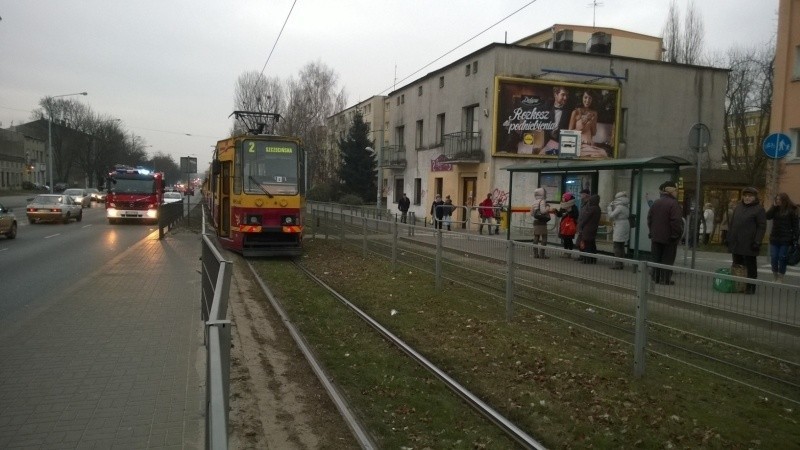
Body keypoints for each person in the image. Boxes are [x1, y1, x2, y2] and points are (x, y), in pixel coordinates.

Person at [727, 187, 767, 294]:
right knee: (737, 264)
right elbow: (732, 224)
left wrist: (757, 241)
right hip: (736, 242)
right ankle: (738, 285)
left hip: (750, 243)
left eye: (750, 196)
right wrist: (729, 237)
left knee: (750, 266)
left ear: (754, 197)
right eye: (745, 196)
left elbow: (761, 227)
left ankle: (750, 286)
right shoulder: (738, 208)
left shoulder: (759, 209)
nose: (747, 198)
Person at [647, 181, 684, 285]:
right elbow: (676, 221)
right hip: (669, 238)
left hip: (656, 237)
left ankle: (656, 278)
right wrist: (676, 235)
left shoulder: (656, 202)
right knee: (667, 259)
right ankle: (665, 279)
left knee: (656, 258)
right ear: (671, 191)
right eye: (676, 190)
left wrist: (652, 232)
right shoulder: (673, 204)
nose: (676, 193)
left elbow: (649, 219)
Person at [765, 192, 798, 283]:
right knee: (774, 257)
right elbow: (767, 216)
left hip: (786, 238)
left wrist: (796, 237)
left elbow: (795, 225)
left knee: (782, 257)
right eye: (777, 199)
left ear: (784, 200)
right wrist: (773, 206)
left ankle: (781, 276)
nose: (778, 201)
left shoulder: (791, 210)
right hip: (775, 237)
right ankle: (775, 275)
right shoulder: (775, 209)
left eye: (779, 199)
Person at [568, 90, 607, 158]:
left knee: (603, 153)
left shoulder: (594, 113)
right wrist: (580, 129)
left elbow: (594, 133)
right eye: (585, 97)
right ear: (581, 98)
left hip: (590, 145)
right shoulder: (575, 112)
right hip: (579, 144)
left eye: (590, 98)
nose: (587, 100)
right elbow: (569, 132)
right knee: (600, 155)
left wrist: (591, 120)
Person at [543, 85, 572, 155]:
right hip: (544, 143)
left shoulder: (569, 111)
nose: (565, 98)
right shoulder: (547, 106)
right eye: (563, 95)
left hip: (562, 146)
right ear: (555, 95)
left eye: (566, 95)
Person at [606, 191, 631, 269]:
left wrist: (609, 209)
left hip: (620, 225)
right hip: (625, 224)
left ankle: (617, 264)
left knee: (616, 245)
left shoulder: (619, 207)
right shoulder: (626, 206)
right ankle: (621, 263)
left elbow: (611, 215)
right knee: (621, 246)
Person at [577, 193, 601, 264]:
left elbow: (585, 218)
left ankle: (587, 259)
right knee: (591, 244)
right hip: (593, 228)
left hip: (587, 229)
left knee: (587, 245)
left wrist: (580, 225)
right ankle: (593, 259)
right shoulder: (597, 208)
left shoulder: (591, 209)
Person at [555, 192, 579, 257]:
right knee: (565, 239)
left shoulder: (573, 206)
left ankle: (569, 253)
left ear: (567, 198)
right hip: (564, 225)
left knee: (569, 239)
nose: (562, 198)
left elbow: (575, 215)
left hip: (570, 225)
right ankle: (565, 252)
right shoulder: (563, 205)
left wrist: (569, 211)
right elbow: (560, 214)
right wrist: (556, 212)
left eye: (563, 197)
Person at [530, 187, 551, 258]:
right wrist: (548, 208)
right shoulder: (542, 201)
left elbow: (532, 213)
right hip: (542, 222)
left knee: (536, 237)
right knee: (544, 236)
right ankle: (542, 254)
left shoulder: (534, 201)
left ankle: (535, 254)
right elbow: (542, 211)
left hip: (536, 222)